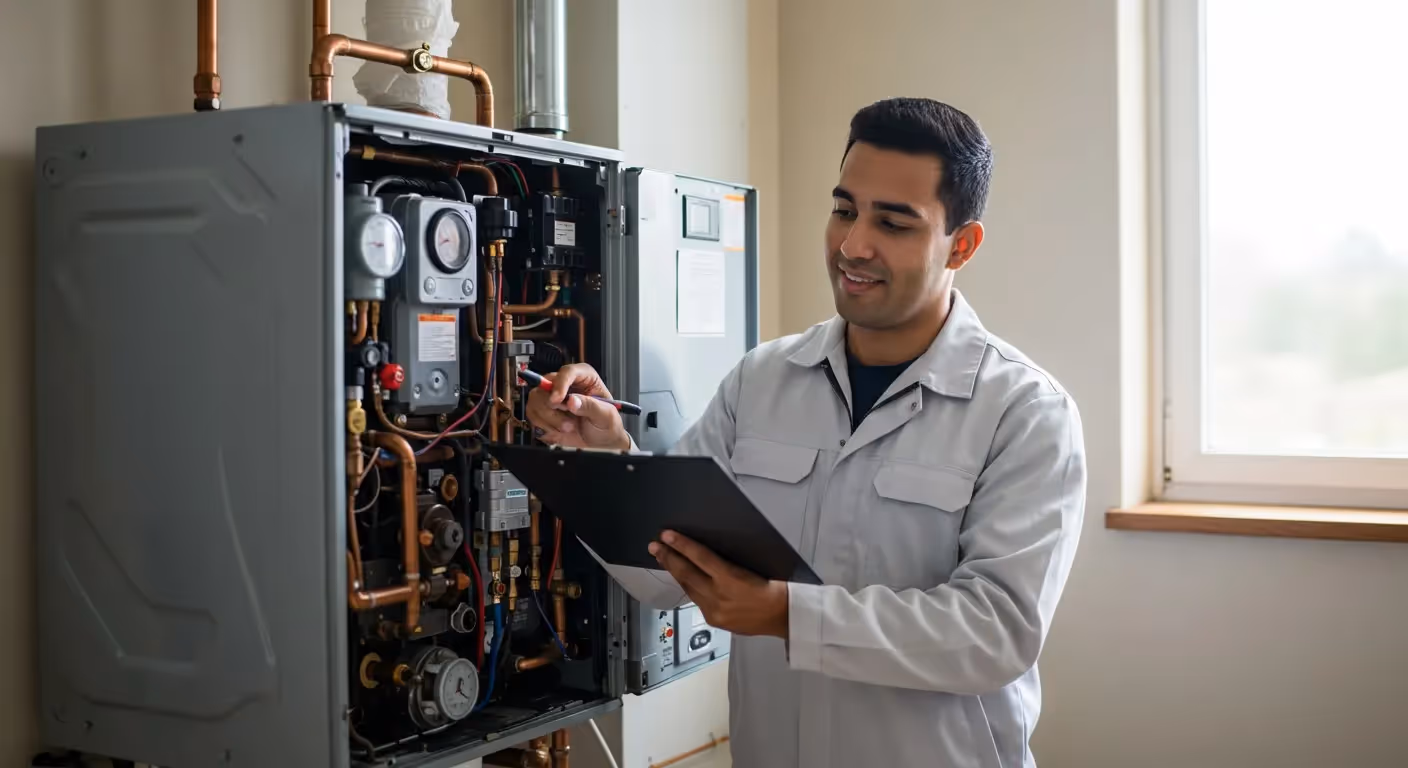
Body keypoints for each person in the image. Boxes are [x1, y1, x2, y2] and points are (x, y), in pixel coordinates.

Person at [527, 97, 1086, 768]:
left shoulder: (1024, 412)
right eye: (845, 210)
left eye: (893, 223)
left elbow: (995, 635)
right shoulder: (762, 380)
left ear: (961, 245)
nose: (853, 246)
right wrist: (603, 454)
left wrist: (788, 615)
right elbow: (665, 575)